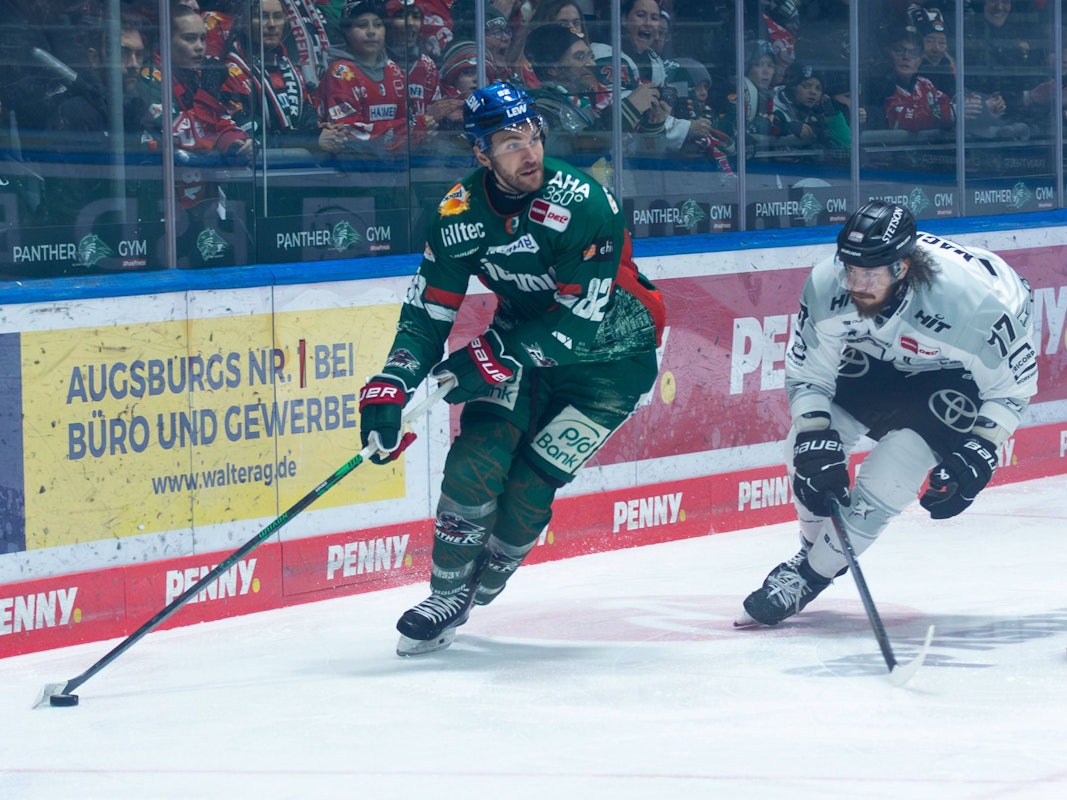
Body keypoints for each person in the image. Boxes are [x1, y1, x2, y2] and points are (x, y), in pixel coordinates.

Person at [357, 81, 666, 656]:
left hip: (612, 366)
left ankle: (484, 583)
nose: (530, 153)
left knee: (527, 490)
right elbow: (428, 312)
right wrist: (391, 383)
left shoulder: (585, 201)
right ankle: (446, 594)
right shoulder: (457, 214)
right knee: (476, 458)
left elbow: (581, 325)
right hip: (520, 345)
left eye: (534, 136)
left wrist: (489, 356)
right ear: (480, 153)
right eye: (509, 142)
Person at [736, 200, 1037, 627]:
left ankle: (808, 576)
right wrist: (812, 434)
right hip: (881, 352)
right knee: (802, 450)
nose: (856, 283)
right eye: (850, 269)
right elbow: (809, 375)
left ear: (903, 268)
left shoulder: (973, 306)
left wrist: (979, 454)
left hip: (957, 372)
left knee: (894, 471)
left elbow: (1011, 391)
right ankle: (817, 552)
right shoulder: (828, 284)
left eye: (870, 273)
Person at [523, 23, 669, 159]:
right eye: (580, 57)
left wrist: (652, 126)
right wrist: (628, 109)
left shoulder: (586, 105)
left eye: (590, 56)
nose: (592, 64)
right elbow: (570, 151)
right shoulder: (539, 111)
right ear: (552, 69)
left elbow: (635, 160)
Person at [219, 0, 337, 153]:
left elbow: (307, 121)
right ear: (244, 22)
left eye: (278, 16)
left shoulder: (290, 67)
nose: (272, 24)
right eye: (262, 16)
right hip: (260, 171)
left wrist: (324, 132)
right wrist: (310, 139)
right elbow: (251, 136)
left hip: (299, 168)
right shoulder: (229, 72)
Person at [316, 0, 424, 158]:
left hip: (393, 165)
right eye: (362, 25)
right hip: (353, 167)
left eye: (378, 25)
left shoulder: (394, 70)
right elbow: (349, 133)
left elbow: (408, 121)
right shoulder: (340, 72)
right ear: (346, 31)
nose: (371, 31)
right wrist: (415, 126)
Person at [862, 27, 955, 133]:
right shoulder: (880, 87)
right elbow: (901, 117)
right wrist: (949, 113)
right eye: (899, 50)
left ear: (920, 59)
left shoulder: (925, 84)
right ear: (888, 54)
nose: (906, 57)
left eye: (914, 52)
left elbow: (946, 103)